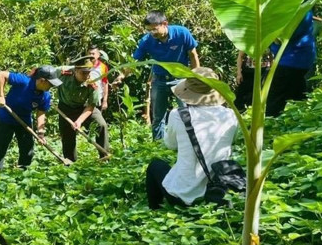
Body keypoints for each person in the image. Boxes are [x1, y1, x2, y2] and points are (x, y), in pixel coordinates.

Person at [145, 68, 239, 209]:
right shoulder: (231, 114)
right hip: (219, 192)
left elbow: (170, 145)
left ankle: (154, 208)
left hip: (183, 195)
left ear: (187, 92)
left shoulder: (178, 115)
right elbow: (231, 140)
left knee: (155, 165)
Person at [115, 11, 200, 140]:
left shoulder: (181, 33)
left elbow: (193, 55)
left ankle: (192, 141)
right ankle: (158, 145)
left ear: (164, 24)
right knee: (158, 117)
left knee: (187, 113)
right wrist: (122, 75)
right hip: (159, 80)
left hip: (181, 79)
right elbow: (135, 62)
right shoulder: (147, 41)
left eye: (154, 30)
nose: (152, 33)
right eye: (149, 30)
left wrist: (196, 77)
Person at [265, 10, 322, 117]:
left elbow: (277, 41)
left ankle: (270, 122)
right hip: (306, 62)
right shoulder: (312, 20)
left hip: (289, 62)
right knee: (299, 90)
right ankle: (304, 116)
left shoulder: (287, 21)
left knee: (275, 96)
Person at [0, 65, 60, 172]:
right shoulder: (24, 81)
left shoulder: (45, 96)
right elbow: (2, 74)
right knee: (1, 148)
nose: (51, 86)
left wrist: (41, 133)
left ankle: (23, 173)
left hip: (24, 121)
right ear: (42, 80)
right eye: (50, 83)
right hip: (6, 117)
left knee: (27, 150)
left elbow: (41, 113)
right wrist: (0, 95)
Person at [56, 55, 109, 162]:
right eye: (83, 73)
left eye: (88, 72)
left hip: (84, 107)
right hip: (65, 107)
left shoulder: (92, 82)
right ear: (75, 70)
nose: (86, 75)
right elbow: (44, 74)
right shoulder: (62, 72)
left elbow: (91, 105)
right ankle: (70, 162)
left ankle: (104, 157)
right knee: (67, 136)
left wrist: (79, 121)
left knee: (101, 125)